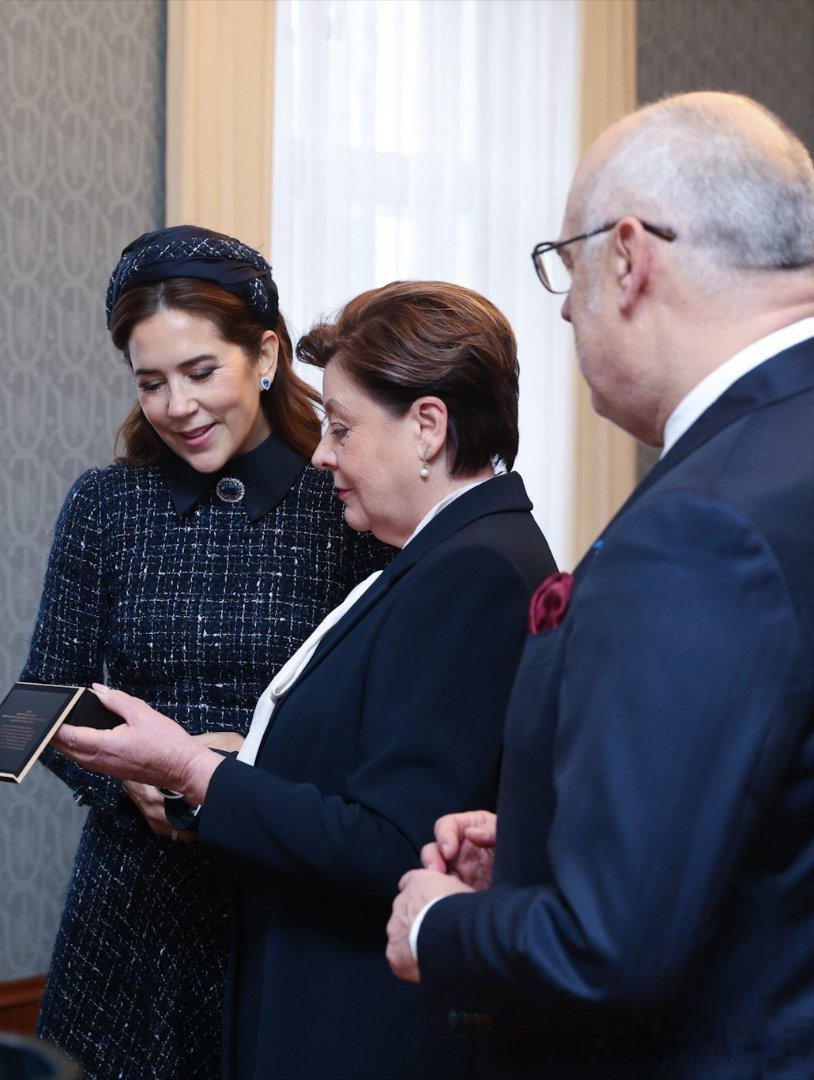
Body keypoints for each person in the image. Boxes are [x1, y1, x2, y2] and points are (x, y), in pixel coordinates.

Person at [387, 92, 814, 1078]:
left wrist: (441, 926)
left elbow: (608, 950)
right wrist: (546, 847)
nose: (563, 306)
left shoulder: (704, 524)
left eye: (567, 267)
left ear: (628, 257)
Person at [54, 280, 555, 1078]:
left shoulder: (472, 572)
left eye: (342, 429)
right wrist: (237, 760)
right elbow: (361, 765)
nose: (324, 454)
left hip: (356, 1014)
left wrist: (194, 770)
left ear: (427, 428)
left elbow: (393, 840)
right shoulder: (442, 554)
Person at [26, 225, 391, 1078]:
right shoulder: (106, 504)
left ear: (264, 355)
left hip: (287, 898)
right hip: (130, 912)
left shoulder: (344, 502)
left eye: (200, 372)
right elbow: (43, 699)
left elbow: (380, 717)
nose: (177, 407)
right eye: (150, 382)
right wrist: (130, 784)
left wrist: (244, 772)